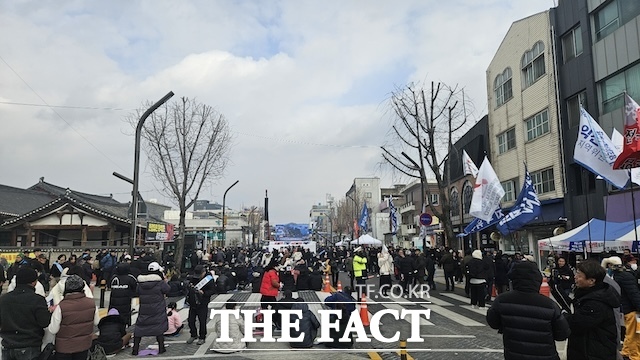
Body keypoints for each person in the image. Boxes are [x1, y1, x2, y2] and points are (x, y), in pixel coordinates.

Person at [486, 260, 570, 359]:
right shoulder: (549, 305)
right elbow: (562, 334)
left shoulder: (502, 300)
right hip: (545, 355)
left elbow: (493, 322)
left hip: (515, 355)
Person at [565, 259, 621, 360]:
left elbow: (577, 323)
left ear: (591, 281)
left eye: (579, 275)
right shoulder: (587, 294)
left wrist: (563, 316)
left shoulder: (596, 302)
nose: (575, 277)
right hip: (586, 348)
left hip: (594, 352)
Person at [0, 267, 52, 360]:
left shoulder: (4, 299)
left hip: (7, 345)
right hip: (29, 345)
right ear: (34, 282)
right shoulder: (37, 300)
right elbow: (44, 322)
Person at [48, 274, 100, 360]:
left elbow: (53, 329)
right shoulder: (91, 303)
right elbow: (96, 322)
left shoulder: (62, 306)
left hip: (64, 348)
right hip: (84, 345)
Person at [132, 262, 171, 355]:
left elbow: (136, 292)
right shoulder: (160, 282)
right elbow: (168, 289)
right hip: (157, 308)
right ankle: (161, 348)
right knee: (159, 327)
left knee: (140, 327)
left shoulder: (141, 283)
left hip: (144, 309)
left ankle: (135, 349)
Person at [612, 255, 640, 360]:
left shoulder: (616, 276)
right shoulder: (627, 276)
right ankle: (634, 356)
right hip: (632, 309)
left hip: (624, 309)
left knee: (629, 333)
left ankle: (626, 351)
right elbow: (634, 294)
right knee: (635, 335)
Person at [186, 265, 216, 345]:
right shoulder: (193, 278)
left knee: (202, 321)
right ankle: (193, 334)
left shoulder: (209, 279)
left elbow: (213, 290)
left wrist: (204, 293)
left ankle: (202, 337)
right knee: (190, 320)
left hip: (202, 302)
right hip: (192, 302)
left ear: (204, 272)